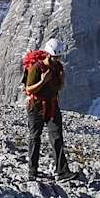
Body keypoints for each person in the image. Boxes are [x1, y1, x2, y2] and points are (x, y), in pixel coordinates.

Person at [22, 44, 75, 181]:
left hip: (52, 105)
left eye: (58, 57)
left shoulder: (58, 67)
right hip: (36, 107)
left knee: (57, 136)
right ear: (48, 55)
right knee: (35, 137)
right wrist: (42, 81)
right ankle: (32, 171)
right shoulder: (36, 68)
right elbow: (29, 89)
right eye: (55, 57)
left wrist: (62, 81)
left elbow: (58, 88)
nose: (57, 60)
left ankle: (62, 171)